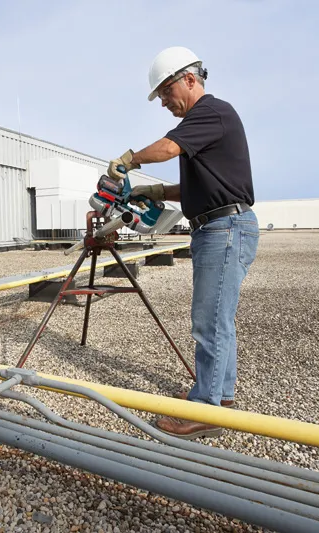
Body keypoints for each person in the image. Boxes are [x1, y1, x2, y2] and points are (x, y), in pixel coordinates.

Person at [107, 46, 259, 439]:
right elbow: (198, 187)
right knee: (218, 320)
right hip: (222, 225)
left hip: (224, 229)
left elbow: (167, 147)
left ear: (189, 80)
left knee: (209, 322)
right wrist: (156, 190)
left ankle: (206, 409)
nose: (163, 102)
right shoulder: (208, 123)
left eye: (164, 92)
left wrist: (129, 161)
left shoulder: (209, 112)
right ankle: (219, 396)